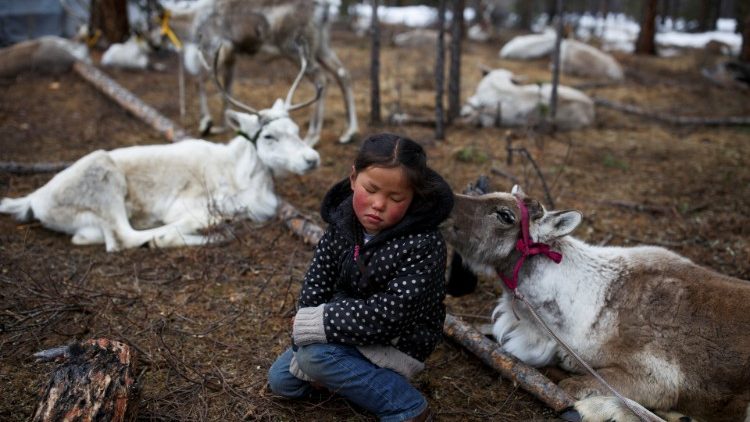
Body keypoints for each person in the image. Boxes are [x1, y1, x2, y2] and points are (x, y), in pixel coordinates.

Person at [268, 133, 454, 421]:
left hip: (398, 341)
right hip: (346, 329)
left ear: (413, 197)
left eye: (395, 198)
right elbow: (318, 281)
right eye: (371, 189)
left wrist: (322, 324)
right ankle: (348, 374)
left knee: (314, 359)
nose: (378, 204)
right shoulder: (344, 222)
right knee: (282, 381)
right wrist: (306, 332)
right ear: (354, 179)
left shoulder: (423, 243)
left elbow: (394, 313)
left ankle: (407, 406)